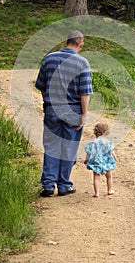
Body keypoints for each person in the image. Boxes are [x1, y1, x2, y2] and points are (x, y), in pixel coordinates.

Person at [35, 30, 93, 197]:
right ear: (80, 45)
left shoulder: (49, 59)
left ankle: (48, 184)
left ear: (66, 41)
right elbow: (84, 93)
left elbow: (42, 86)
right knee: (68, 148)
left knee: (51, 146)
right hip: (73, 111)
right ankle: (64, 185)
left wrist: (48, 104)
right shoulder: (82, 63)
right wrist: (84, 115)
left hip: (53, 108)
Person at [84, 123, 117, 198]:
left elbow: (89, 153)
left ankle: (97, 193)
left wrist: (86, 160)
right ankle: (110, 190)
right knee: (109, 177)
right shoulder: (108, 143)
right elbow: (112, 152)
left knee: (96, 178)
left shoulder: (92, 143)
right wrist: (115, 159)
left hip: (96, 162)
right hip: (107, 162)